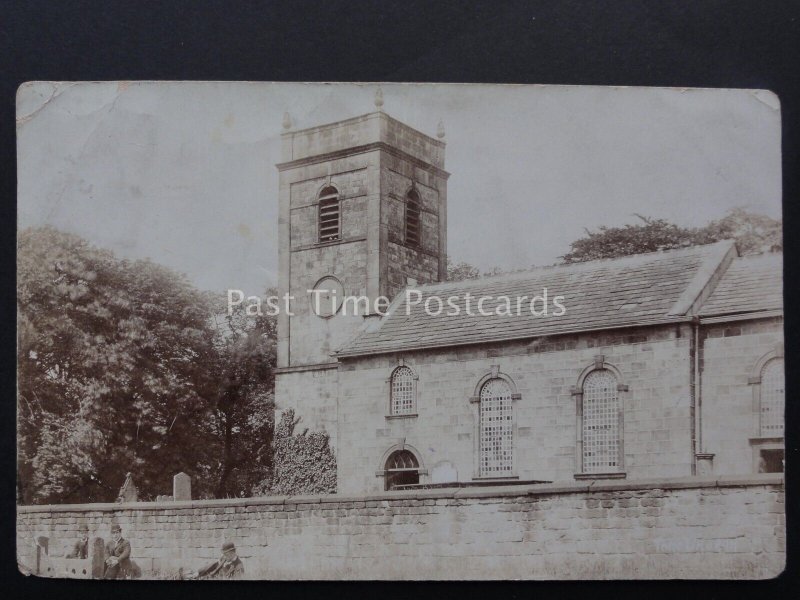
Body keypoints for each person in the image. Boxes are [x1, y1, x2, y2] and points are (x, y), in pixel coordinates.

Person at [179, 542, 244, 580]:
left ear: (232, 552)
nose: (224, 555)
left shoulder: (239, 567)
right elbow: (214, 566)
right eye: (223, 554)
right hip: (212, 575)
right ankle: (193, 575)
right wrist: (199, 573)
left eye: (226, 554)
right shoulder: (224, 558)